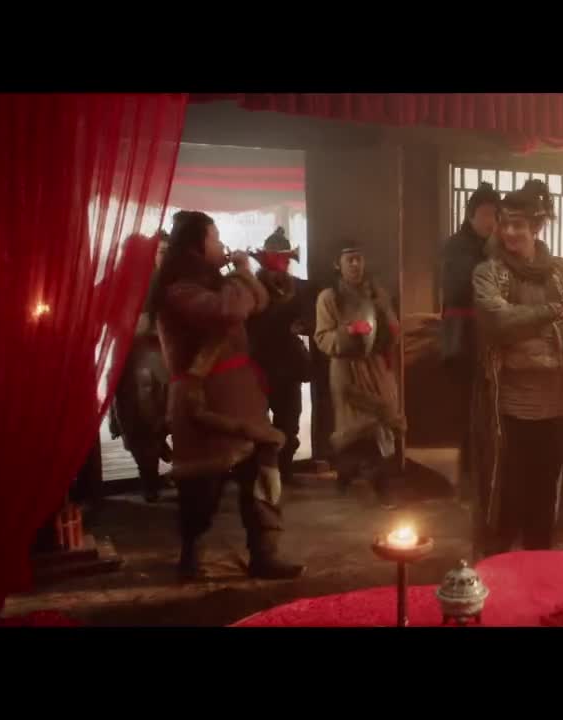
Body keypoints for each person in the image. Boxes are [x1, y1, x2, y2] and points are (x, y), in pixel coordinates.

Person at [149, 210, 304, 582]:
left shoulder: (214, 283)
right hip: (203, 400)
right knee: (202, 487)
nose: (221, 245)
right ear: (196, 246)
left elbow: (258, 302)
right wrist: (241, 274)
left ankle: (265, 553)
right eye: (214, 239)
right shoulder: (179, 291)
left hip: (242, 398)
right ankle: (192, 555)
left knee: (262, 477)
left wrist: (249, 273)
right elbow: (228, 310)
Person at [470, 179, 563, 555]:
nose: (508, 232)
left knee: (545, 487)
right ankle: (500, 565)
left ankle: (539, 564)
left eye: (518, 224)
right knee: (506, 488)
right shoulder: (488, 272)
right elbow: (496, 321)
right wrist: (547, 314)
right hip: (506, 401)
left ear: (537, 226)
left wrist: (522, 337)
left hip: (556, 401)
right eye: (504, 223)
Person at [313, 243, 406, 507]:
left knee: (381, 422)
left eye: (359, 259)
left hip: (375, 368)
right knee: (355, 429)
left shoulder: (378, 293)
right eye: (350, 260)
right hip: (347, 371)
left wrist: (387, 319)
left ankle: (366, 479)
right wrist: (349, 332)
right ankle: (359, 479)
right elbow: (322, 338)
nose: (355, 264)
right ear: (338, 264)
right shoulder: (329, 298)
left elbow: (392, 331)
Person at [441, 182, 500, 504]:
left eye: (495, 214)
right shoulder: (456, 246)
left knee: (487, 410)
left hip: (487, 336)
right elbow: (459, 289)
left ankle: (484, 473)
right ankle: (467, 478)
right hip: (464, 337)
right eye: (486, 214)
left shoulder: (491, 245)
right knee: (467, 411)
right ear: (471, 215)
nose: (492, 221)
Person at [245, 227, 313, 487]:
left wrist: (303, 325)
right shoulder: (251, 287)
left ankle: (284, 470)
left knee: (289, 423)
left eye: (282, 258)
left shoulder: (301, 288)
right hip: (257, 366)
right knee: (257, 424)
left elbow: (311, 319)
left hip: (288, 366)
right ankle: (262, 474)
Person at [110, 230, 172, 502]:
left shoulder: (160, 280)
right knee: (141, 423)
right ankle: (151, 475)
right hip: (142, 361)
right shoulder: (127, 280)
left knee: (145, 424)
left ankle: (152, 476)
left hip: (155, 360)